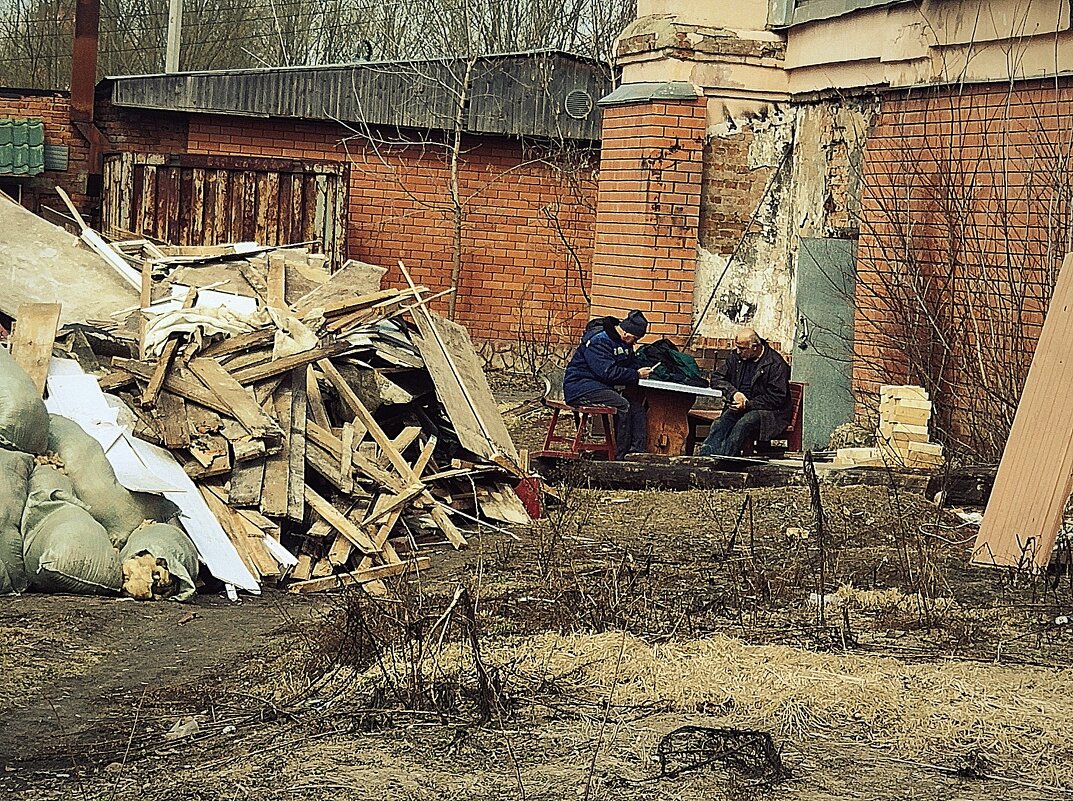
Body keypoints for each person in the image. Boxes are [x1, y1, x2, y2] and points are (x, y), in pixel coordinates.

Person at [563, 310, 654, 459]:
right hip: (581, 388)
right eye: (635, 339)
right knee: (623, 405)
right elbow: (607, 372)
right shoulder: (599, 341)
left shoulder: (624, 343)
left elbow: (630, 363)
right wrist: (636, 375)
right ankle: (620, 454)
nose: (635, 343)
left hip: (600, 387)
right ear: (626, 333)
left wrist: (641, 368)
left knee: (637, 408)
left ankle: (637, 452)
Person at [699, 327, 792, 457]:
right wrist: (734, 393)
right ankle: (705, 457)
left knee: (744, 423)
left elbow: (776, 398)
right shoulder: (736, 358)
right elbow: (717, 378)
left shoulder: (775, 364)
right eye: (737, 347)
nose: (738, 351)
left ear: (755, 347)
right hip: (742, 407)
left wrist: (748, 404)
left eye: (742, 348)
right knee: (721, 422)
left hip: (770, 413)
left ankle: (725, 459)